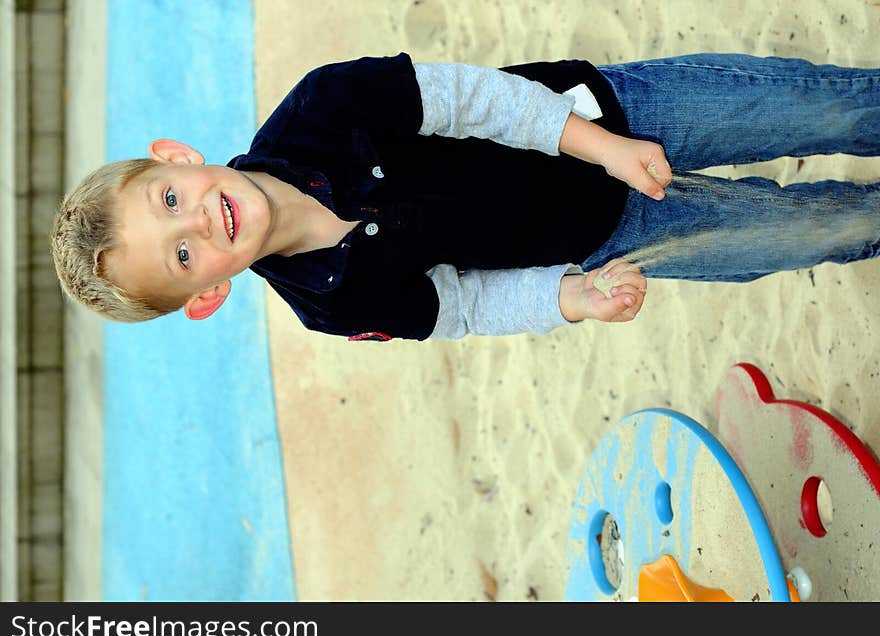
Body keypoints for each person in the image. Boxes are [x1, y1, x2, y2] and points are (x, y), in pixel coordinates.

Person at [51, 52, 880, 341]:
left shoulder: (322, 108)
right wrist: (573, 298)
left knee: (829, 107)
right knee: (809, 231)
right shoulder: (330, 305)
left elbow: (481, 101)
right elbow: (468, 307)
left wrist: (612, 147)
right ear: (208, 295)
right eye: (184, 254)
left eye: (169, 201)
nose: (197, 219)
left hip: (611, 118)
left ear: (176, 157)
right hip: (610, 238)